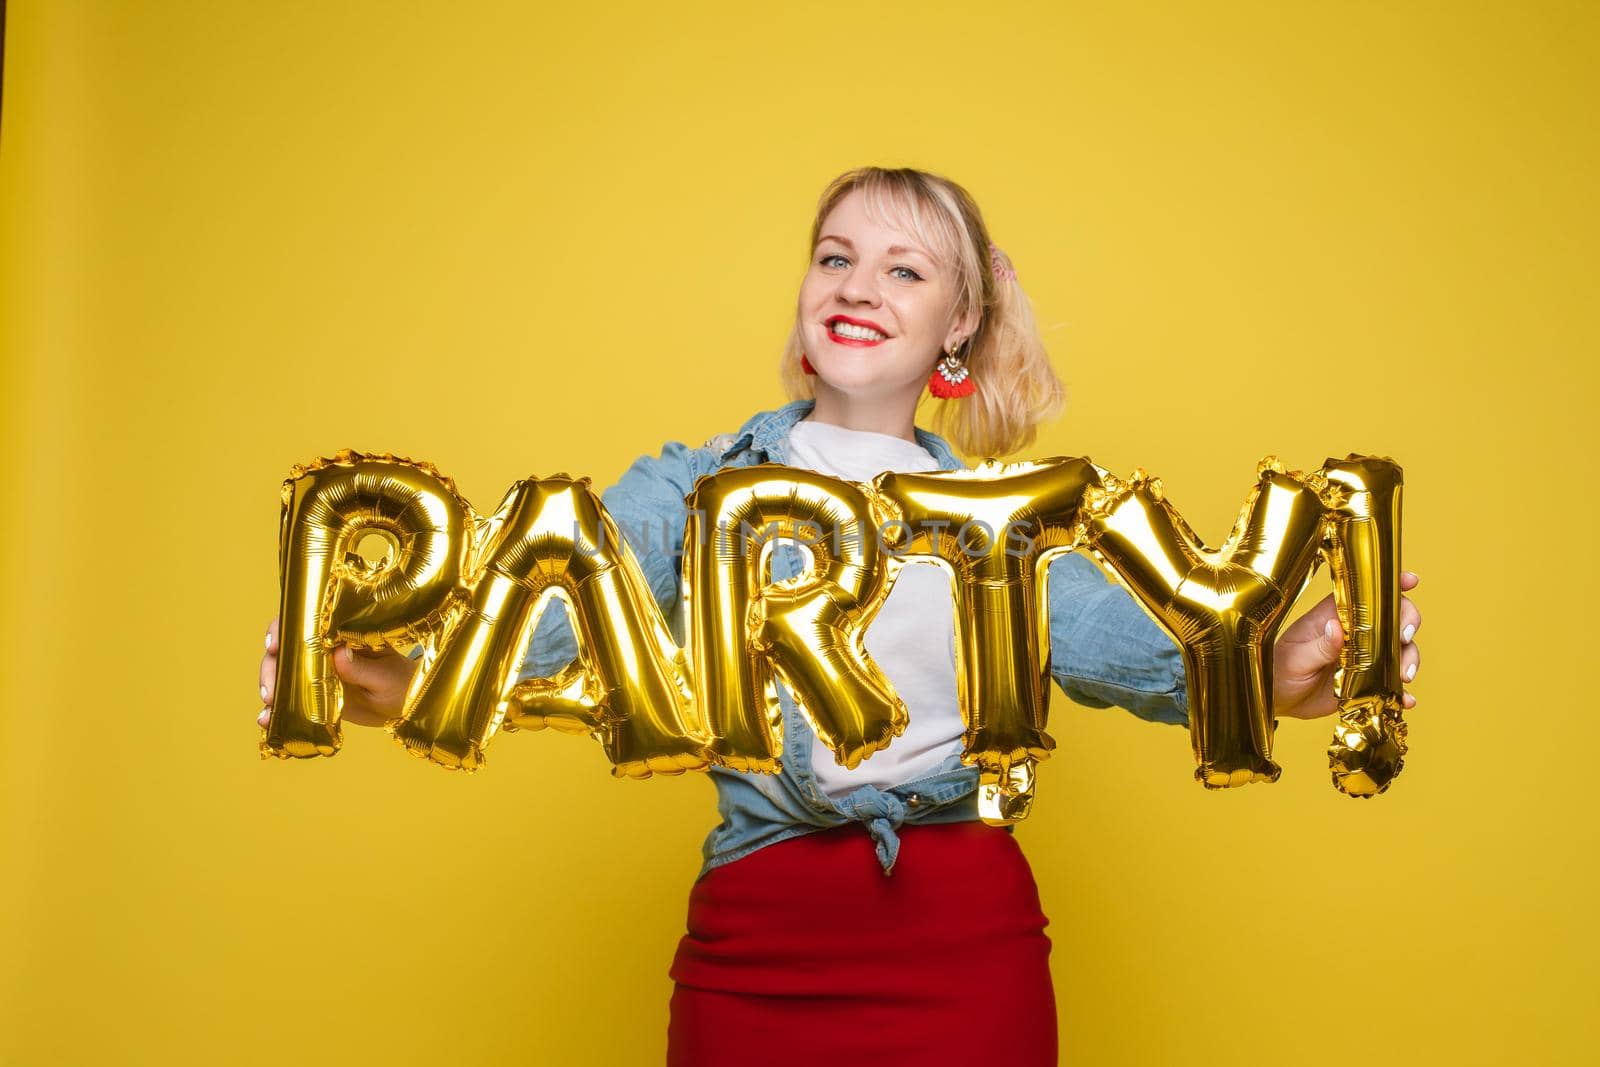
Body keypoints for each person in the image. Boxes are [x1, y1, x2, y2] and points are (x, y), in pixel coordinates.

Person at [255, 166, 1423, 1065]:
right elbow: (569, 591)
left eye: (905, 269)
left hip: (963, 945)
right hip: (757, 940)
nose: (859, 285)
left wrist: (1270, 670)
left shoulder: (999, 515)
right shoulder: (696, 485)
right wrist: (418, 674)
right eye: (835, 256)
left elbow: (1124, 647)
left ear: (958, 322)